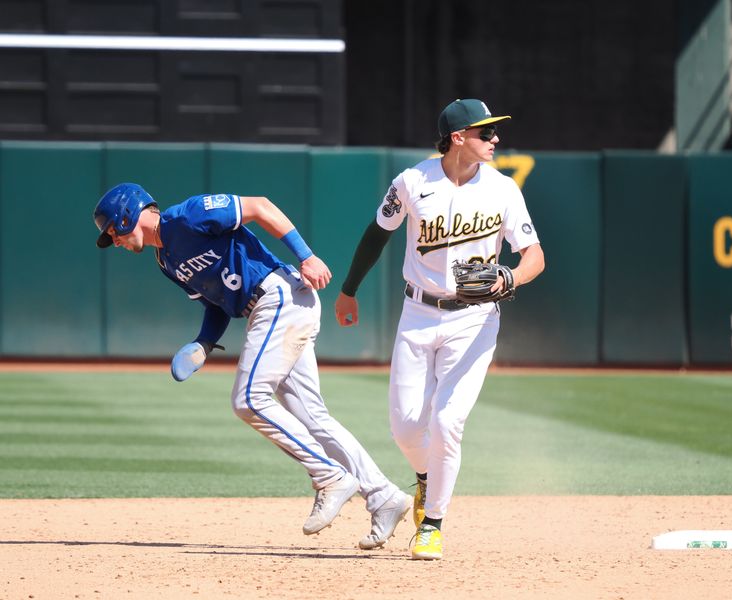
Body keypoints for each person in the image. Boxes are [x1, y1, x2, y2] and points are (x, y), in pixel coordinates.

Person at [93, 183, 412, 549]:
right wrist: (205, 342)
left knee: (248, 399)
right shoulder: (165, 261)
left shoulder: (188, 216)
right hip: (274, 307)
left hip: (278, 296)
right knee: (313, 418)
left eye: (112, 232)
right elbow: (214, 304)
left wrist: (306, 255)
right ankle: (385, 497)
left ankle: (329, 476)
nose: (112, 240)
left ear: (125, 215)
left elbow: (260, 206)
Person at [334, 98, 545, 560]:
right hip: (418, 313)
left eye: (494, 131)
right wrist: (348, 290)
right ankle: (427, 477)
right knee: (406, 429)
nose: (495, 138)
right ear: (457, 138)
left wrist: (510, 276)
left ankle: (432, 523)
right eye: (485, 132)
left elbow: (534, 255)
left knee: (447, 421)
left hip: (475, 318)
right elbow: (377, 233)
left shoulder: (504, 189)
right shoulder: (412, 182)